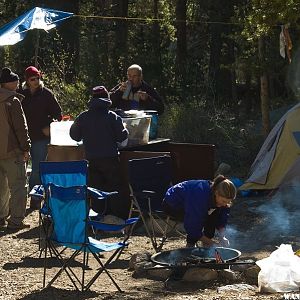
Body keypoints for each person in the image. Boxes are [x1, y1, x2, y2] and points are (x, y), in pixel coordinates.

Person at [70, 86, 129, 218]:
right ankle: (116, 218)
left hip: (91, 160)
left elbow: (74, 136)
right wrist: (125, 129)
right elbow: (122, 138)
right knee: (114, 190)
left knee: (96, 191)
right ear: (107, 99)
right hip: (110, 159)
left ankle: (99, 219)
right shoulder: (112, 116)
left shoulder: (83, 116)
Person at [20, 66, 62, 209]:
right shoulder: (20, 94)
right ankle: (19, 201)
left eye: (38, 78)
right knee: (21, 170)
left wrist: (49, 126)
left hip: (40, 138)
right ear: (27, 80)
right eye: (33, 79)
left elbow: (58, 114)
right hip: (21, 137)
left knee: (37, 169)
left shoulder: (46, 94)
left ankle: (36, 199)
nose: (36, 81)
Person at [162, 175, 237, 248]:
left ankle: (207, 246)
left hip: (191, 204)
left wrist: (222, 236)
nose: (225, 204)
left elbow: (222, 217)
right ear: (216, 193)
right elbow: (192, 228)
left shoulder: (219, 196)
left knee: (215, 213)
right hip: (172, 205)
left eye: (228, 202)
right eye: (223, 201)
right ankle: (191, 246)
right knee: (200, 218)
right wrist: (213, 243)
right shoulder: (200, 196)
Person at [0, 67, 31, 230]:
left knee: (1, 187)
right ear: (9, 83)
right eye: (16, 80)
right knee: (19, 185)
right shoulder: (13, 100)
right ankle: (16, 220)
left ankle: (0, 218)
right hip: (12, 151)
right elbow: (21, 127)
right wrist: (26, 148)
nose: (18, 83)